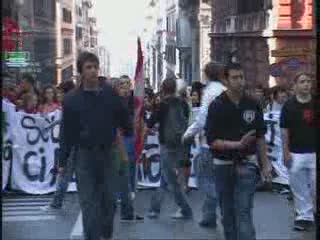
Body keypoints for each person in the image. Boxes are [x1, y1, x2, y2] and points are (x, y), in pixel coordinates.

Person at [58, 52, 132, 240]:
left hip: (108, 154)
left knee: (109, 202)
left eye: (94, 67)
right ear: (81, 72)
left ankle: (106, 235)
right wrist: (62, 161)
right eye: (88, 67)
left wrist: (128, 124)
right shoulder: (72, 99)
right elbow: (66, 132)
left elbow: (123, 119)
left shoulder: (110, 93)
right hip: (84, 156)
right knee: (88, 204)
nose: (92, 71)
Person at [206, 63, 272, 240]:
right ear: (226, 80)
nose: (240, 81)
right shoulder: (217, 106)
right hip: (223, 166)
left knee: (243, 211)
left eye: (242, 77)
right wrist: (237, 144)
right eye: (235, 78)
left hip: (247, 165)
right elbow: (212, 141)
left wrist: (265, 165)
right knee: (227, 213)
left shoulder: (252, 104)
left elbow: (260, 136)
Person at [182, 62, 225, 228]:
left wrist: (188, 134)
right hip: (222, 143)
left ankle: (218, 201)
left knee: (203, 178)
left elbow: (202, 119)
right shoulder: (223, 90)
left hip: (208, 143)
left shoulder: (209, 92)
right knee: (214, 178)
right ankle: (209, 216)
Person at [147, 77, 193, 220]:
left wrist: (154, 127)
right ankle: (156, 208)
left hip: (167, 145)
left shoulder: (163, 105)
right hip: (182, 144)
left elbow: (150, 122)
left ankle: (184, 209)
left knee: (168, 178)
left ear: (163, 89)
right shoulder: (184, 104)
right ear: (175, 88)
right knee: (167, 178)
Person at [280, 72, 316, 231]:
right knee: (299, 187)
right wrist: (285, 151)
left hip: (315, 152)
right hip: (296, 152)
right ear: (295, 85)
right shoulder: (289, 106)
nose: (306, 84)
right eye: (302, 81)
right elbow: (284, 130)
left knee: (314, 186)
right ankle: (304, 216)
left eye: (308, 81)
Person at [111, 76, 144, 221]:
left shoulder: (133, 102)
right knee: (120, 168)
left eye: (126, 84)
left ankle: (128, 195)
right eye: (121, 85)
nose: (124, 88)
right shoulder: (114, 102)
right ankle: (121, 198)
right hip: (118, 139)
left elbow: (139, 119)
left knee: (130, 165)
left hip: (129, 137)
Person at [40, 82, 75, 212]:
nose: (57, 95)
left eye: (61, 92)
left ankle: (56, 203)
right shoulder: (72, 106)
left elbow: (66, 132)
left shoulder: (68, 107)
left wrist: (63, 157)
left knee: (64, 176)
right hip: (77, 148)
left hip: (71, 148)